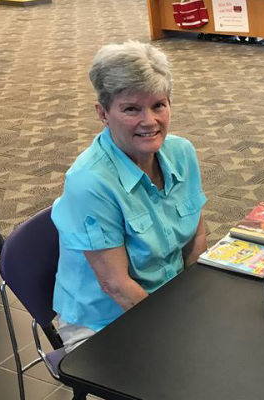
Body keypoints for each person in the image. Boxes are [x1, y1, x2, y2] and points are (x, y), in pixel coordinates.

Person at [51, 41, 207, 352]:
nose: (149, 121)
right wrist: (178, 331)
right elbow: (116, 287)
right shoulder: (90, 182)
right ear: (103, 113)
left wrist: (199, 301)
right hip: (104, 323)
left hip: (167, 299)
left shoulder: (182, 152)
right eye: (131, 109)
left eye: (158, 105)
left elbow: (196, 237)